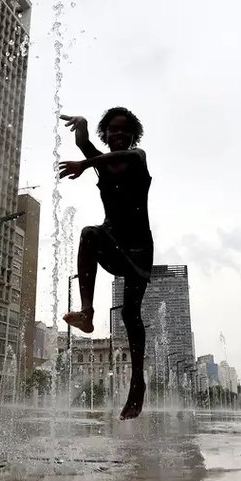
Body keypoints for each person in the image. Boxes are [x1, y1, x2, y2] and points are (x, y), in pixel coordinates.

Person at [58, 107, 153, 420]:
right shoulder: (104, 163)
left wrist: (86, 163)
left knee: (130, 312)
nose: (118, 135)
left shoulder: (138, 156)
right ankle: (87, 313)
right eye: (112, 130)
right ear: (106, 134)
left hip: (138, 248)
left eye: (124, 130)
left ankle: (137, 383)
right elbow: (85, 145)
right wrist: (83, 126)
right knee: (88, 234)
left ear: (133, 134)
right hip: (112, 240)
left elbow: (102, 158)